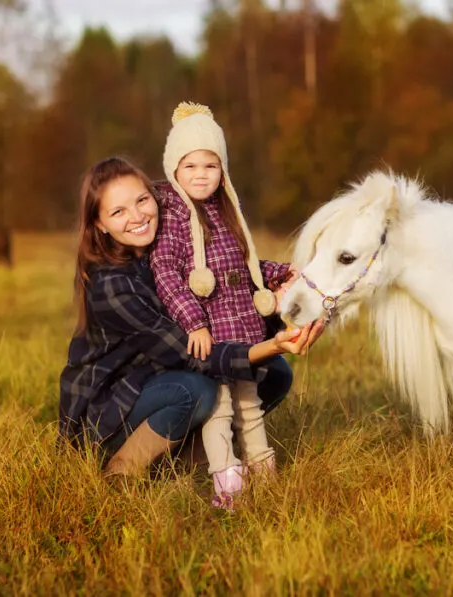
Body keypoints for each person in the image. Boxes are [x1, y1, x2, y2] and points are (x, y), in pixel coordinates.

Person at [57, 156, 321, 484]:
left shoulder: (168, 250)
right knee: (196, 390)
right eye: (118, 212)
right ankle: (118, 471)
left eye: (142, 200)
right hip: (106, 413)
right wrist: (268, 347)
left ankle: (187, 463)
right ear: (99, 224)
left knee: (275, 373)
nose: (137, 217)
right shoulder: (112, 287)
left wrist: (280, 314)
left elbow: (225, 309)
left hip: (155, 382)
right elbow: (192, 355)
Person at [150, 102, 298, 508]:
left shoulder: (226, 210)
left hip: (242, 327)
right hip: (210, 335)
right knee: (219, 407)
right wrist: (194, 322)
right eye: (191, 166)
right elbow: (165, 272)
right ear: (174, 169)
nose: (201, 175)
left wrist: (279, 272)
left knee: (248, 405)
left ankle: (264, 476)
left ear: (223, 170)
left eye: (211, 166)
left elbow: (243, 265)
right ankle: (228, 484)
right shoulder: (175, 215)